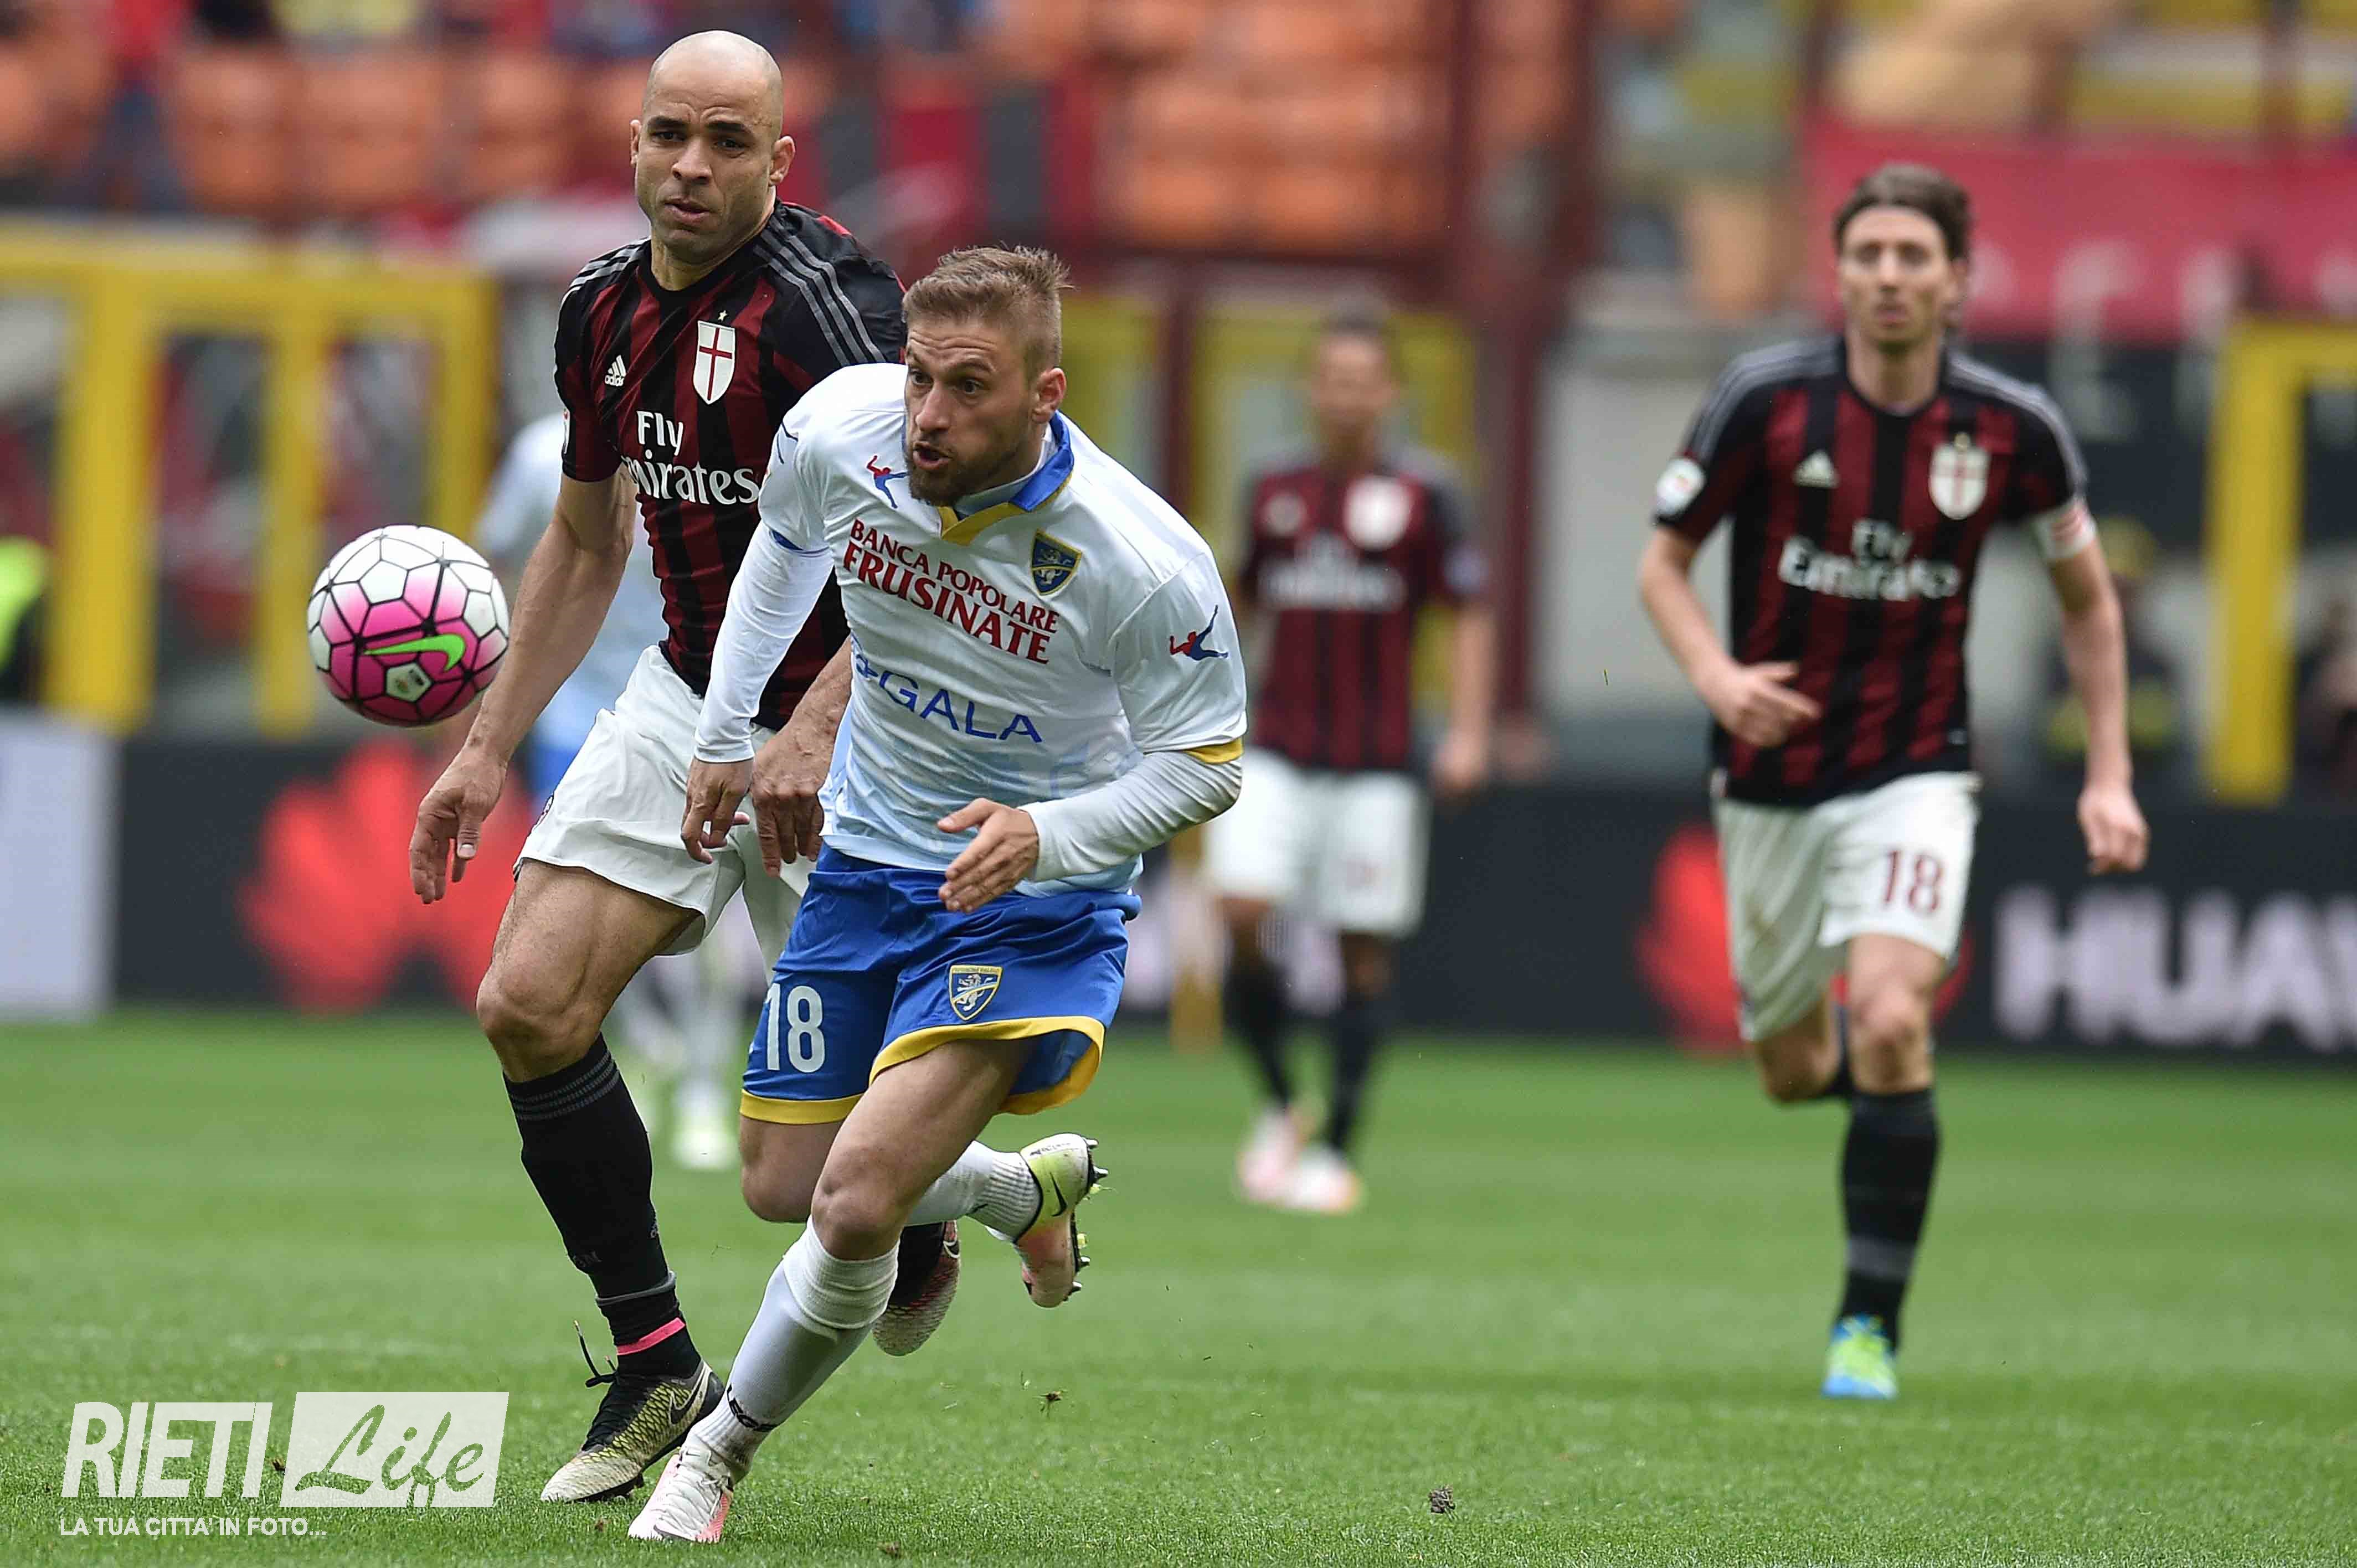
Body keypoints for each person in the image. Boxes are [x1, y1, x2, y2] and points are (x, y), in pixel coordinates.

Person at [405, 32, 953, 1505]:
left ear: (780, 162)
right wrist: (483, 750)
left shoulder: (833, 310)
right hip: (685, 693)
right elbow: (585, 541)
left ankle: (962, 1203)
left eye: (727, 141)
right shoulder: (597, 310)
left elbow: (930, 543)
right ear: (634, 143)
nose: (692, 167)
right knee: (528, 1003)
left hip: (861, 731)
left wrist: (815, 725)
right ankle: (655, 1361)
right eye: (670, 136)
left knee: (813, 1174)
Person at [626, 245, 1248, 1541]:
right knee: (782, 1182)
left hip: (1025, 902)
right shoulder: (839, 432)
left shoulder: (1145, 560)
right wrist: (730, 733)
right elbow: (782, 553)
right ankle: (1014, 1193)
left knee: (857, 1202)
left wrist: (1048, 834)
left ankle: (715, 1453)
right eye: (917, 377)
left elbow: (1206, 764)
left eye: (968, 387)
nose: (927, 415)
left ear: (1045, 394)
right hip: (865, 864)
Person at [1636, 162, 2150, 1400]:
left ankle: (1866, 1326)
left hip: (1916, 768)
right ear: (1840, 272)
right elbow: (1663, 565)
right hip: (1767, 776)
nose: (1887, 276)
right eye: (1867, 254)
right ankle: (1891, 1110)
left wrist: (2111, 776)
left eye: (1913, 256)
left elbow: (2088, 604)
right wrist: (1716, 677)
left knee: (1887, 1017)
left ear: (1957, 280)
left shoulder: (2013, 430)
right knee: (1790, 1072)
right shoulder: (1764, 401)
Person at [1205, 312, 1493, 1215]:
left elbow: (1467, 612)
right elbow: (1241, 605)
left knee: (1361, 952)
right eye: (1332, 378)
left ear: (1391, 393)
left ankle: (1336, 1150)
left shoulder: (1426, 494)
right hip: (1277, 747)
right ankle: (1282, 1102)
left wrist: (1470, 731)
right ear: (1310, 388)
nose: (1346, 396)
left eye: (1364, 380)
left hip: (1377, 761)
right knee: (1240, 911)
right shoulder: (1272, 490)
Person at [472, 414, 750, 1172]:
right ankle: (645, 1043)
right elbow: (497, 565)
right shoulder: (541, 455)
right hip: (577, 711)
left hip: (689, 706)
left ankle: (704, 1087)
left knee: (709, 922)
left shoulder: (716, 441)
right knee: (565, 905)